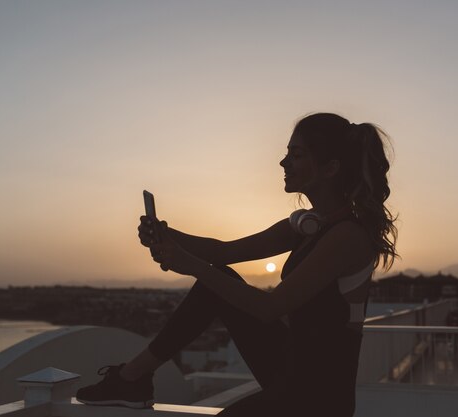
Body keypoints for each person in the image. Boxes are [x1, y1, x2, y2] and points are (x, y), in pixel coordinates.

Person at [75, 112, 398, 416]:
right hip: (290, 369)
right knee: (219, 277)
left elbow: (269, 307)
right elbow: (222, 252)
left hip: (319, 398)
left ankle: (131, 380)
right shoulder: (307, 225)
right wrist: (166, 235)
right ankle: (132, 379)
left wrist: (189, 263)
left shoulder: (347, 236)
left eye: (296, 154)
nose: (283, 161)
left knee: (214, 278)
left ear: (330, 168)